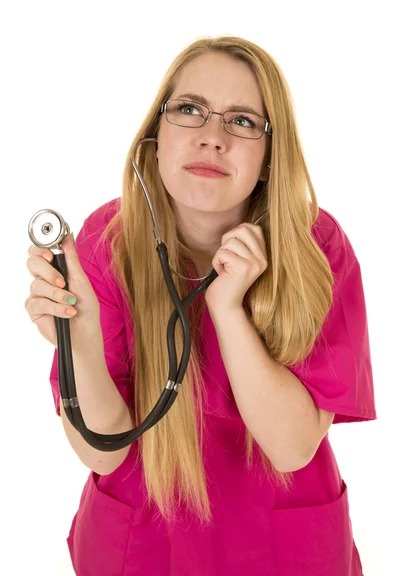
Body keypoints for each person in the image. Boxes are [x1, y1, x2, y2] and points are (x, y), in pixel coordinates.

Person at [25, 35, 377, 575]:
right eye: (189, 111)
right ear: (157, 138)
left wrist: (228, 310)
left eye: (241, 121)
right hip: (143, 546)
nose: (212, 138)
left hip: (282, 549)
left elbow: (290, 449)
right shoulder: (106, 242)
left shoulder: (317, 247)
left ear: (267, 158)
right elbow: (103, 451)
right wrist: (84, 341)